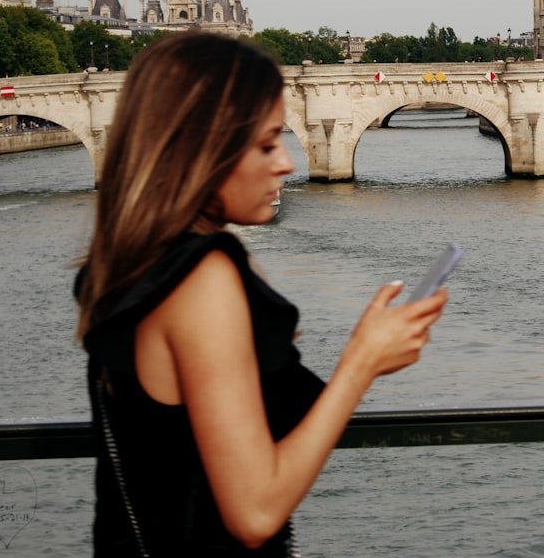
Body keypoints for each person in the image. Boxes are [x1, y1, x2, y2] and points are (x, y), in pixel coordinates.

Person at [75, 31, 448, 556]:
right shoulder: (202, 277)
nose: (288, 164)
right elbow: (254, 512)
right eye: (268, 142)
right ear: (204, 146)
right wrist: (361, 364)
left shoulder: (137, 264)